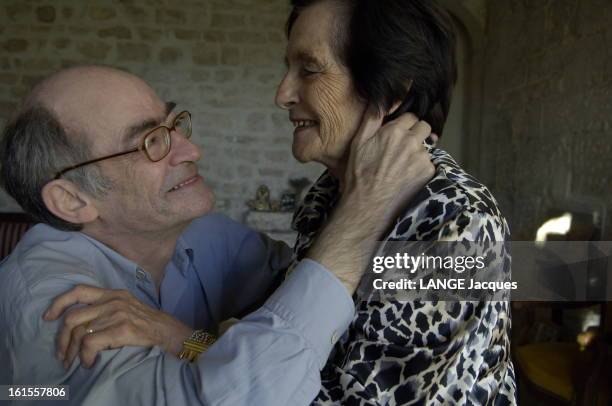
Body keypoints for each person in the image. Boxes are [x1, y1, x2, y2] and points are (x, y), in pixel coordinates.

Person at [38, 0, 517, 404]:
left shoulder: (453, 221)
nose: (282, 94)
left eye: (309, 70)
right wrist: (188, 340)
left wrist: (178, 339)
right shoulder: (329, 195)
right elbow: (296, 357)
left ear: (391, 91)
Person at [0, 65, 434, 405]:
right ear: (73, 200)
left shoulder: (206, 238)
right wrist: (363, 211)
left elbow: (341, 304)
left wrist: (178, 337)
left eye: (174, 126)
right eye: (151, 141)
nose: (191, 151)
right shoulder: (52, 304)